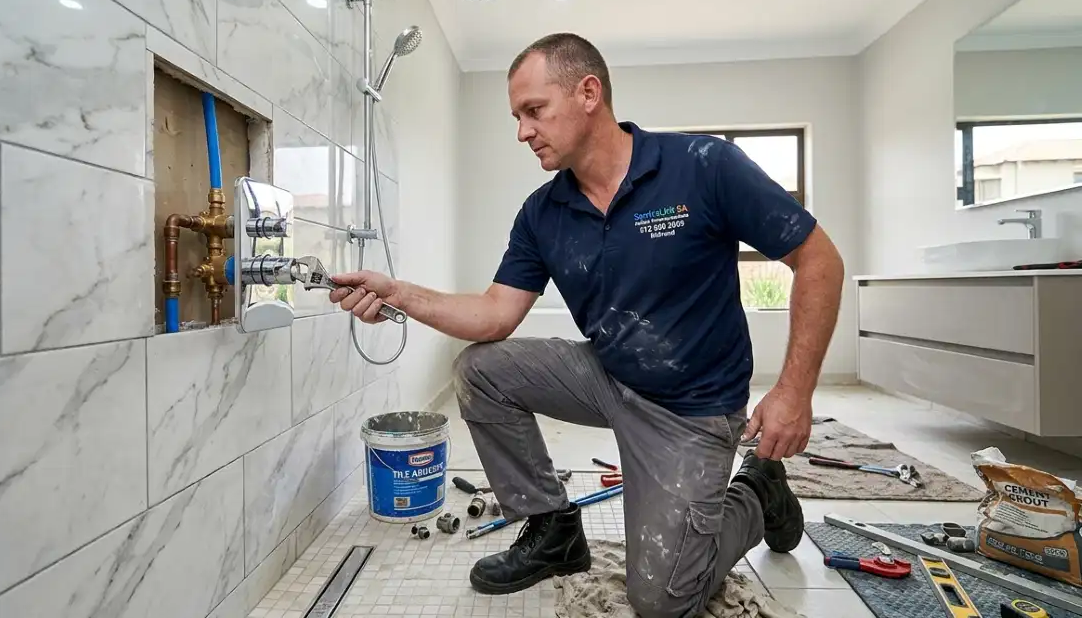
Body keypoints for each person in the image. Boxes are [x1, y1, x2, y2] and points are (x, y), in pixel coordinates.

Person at [328, 32, 845, 618]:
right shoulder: (543, 212)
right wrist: (400, 293)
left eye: (534, 111)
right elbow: (494, 315)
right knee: (480, 370)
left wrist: (794, 392)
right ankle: (553, 529)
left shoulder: (701, 167)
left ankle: (757, 491)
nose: (522, 131)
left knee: (663, 602)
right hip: (608, 375)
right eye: (517, 116)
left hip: (692, 407)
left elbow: (819, 260)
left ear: (588, 92)